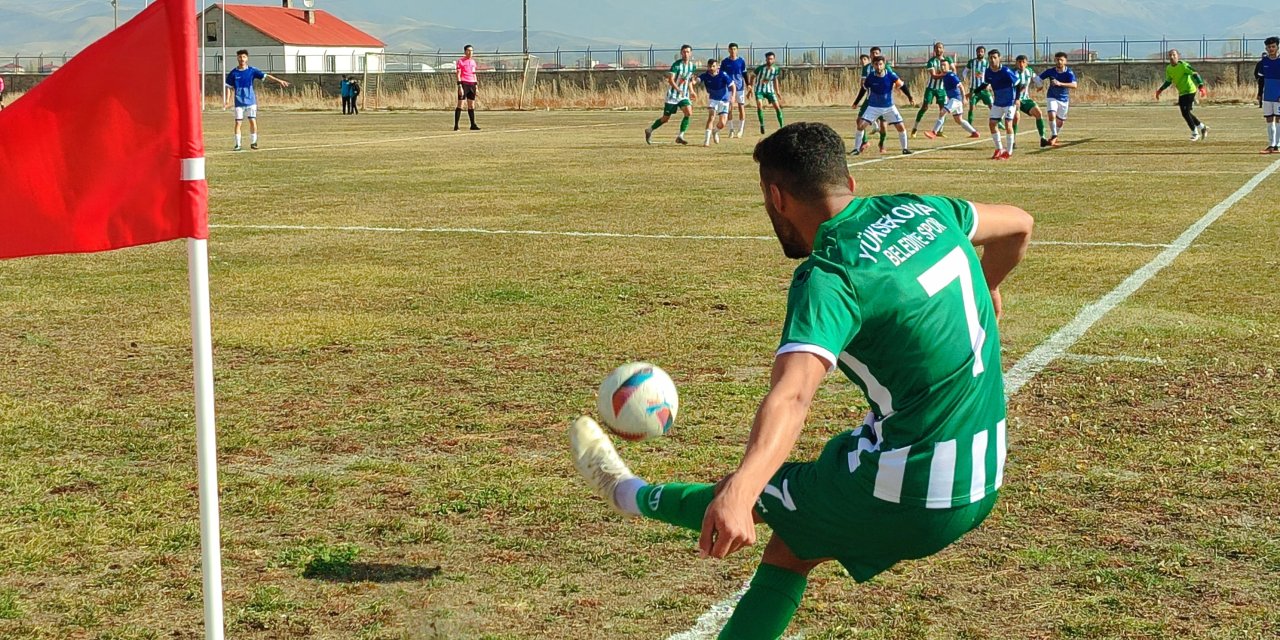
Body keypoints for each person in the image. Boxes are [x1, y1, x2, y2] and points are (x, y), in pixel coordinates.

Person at [570, 121, 1033, 640]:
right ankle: (639, 494)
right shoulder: (926, 209)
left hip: (915, 488)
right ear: (849, 182)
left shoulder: (832, 276)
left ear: (776, 196)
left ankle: (626, 493)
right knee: (792, 546)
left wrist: (741, 489)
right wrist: (991, 284)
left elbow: (793, 395)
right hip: (986, 470)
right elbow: (1020, 223)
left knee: (755, 494)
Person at [223, 49, 290, 151]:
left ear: (247, 58)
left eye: (244, 57)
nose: (242, 59)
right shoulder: (233, 73)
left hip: (251, 101)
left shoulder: (252, 71)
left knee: (252, 121)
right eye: (240, 57)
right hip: (239, 102)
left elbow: (266, 76)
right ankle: (238, 145)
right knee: (238, 123)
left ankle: (254, 142)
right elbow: (228, 87)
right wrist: (227, 101)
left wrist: (279, 80)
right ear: (237, 58)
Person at [852, 56, 911, 155]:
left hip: (889, 107)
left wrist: (910, 97)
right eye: (876, 64)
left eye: (880, 64)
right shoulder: (870, 77)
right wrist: (856, 102)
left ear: (884, 65)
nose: (878, 67)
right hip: (873, 107)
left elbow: (902, 85)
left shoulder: (891, 75)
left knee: (901, 127)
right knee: (861, 126)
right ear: (873, 65)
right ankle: (856, 149)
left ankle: (905, 149)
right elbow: (863, 90)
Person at [645, 45, 699, 145]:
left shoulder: (692, 66)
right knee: (665, 118)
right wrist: (678, 89)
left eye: (688, 52)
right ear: (681, 53)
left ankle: (680, 136)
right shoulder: (677, 65)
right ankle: (649, 130)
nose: (686, 54)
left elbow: (690, 80)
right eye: (684, 52)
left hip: (684, 95)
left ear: (691, 53)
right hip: (673, 96)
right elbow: (670, 80)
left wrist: (691, 91)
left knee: (688, 112)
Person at [975, 49, 1020, 160]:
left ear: (999, 58)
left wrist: (1017, 99)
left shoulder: (1006, 71)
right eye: (990, 57)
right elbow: (985, 84)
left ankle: (1008, 152)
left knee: (1008, 124)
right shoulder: (988, 71)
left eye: (995, 57)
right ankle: (999, 148)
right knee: (992, 124)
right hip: (998, 102)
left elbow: (1019, 84)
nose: (992, 59)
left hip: (1009, 102)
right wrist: (972, 93)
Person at [1155, 49, 1208, 142]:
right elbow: (1168, 81)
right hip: (1182, 92)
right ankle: (1202, 127)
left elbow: (1195, 74)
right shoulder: (1169, 68)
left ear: (1178, 56)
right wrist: (1160, 90)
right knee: (1186, 113)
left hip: (1190, 90)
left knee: (1185, 112)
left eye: (1174, 55)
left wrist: (1201, 87)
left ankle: (1195, 133)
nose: (1172, 57)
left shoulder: (1183, 65)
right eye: (1170, 55)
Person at [923, 59, 981, 140]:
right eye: (941, 65)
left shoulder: (951, 75)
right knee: (958, 120)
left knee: (942, 112)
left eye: (944, 65)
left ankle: (934, 132)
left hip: (956, 99)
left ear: (948, 66)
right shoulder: (945, 75)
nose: (942, 67)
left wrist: (964, 98)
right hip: (955, 100)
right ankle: (974, 132)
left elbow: (961, 86)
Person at [911, 42, 955, 138]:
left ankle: (940, 130)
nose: (938, 50)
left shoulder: (948, 60)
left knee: (943, 109)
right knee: (925, 107)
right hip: (931, 88)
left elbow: (954, 70)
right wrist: (946, 74)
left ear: (943, 49)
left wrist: (951, 75)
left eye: (940, 48)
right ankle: (915, 128)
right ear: (934, 50)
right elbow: (934, 76)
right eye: (936, 48)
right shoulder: (931, 61)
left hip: (942, 89)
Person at [1037, 52, 1078, 147]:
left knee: (1060, 121)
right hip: (1052, 97)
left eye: (1061, 60)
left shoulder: (1069, 72)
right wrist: (1040, 85)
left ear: (1065, 61)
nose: (1059, 62)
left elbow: (1074, 85)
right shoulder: (1050, 71)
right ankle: (1054, 134)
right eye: (1057, 60)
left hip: (1064, 99)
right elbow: (1038, 78)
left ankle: (1053, 137)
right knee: (1051, 114)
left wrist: (1060, 83)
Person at [1010, 55, 1049, 149]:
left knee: (1038, 113)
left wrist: (1040, 86)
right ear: (1016, 63)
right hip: (1013, 99)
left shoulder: (1029, 71)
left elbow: (1037, 79)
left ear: (1026, 63)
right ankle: (1013, 141)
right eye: (1019, 62)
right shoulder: (1012, 73)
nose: (1021, 64)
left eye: (1023, 62)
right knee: (1016, 117)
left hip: (1025, 99)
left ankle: (1042, 138)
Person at [697, 58, 738, 146]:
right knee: (711, 117)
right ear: (707, 67)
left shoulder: (723, 75)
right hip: (713, 99)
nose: (711, 68)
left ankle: (715, 131)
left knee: (723, 123)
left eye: (713, 66)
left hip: (724, 100)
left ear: (717, 67)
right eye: (709, 66)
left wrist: (733, 96)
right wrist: (693, 82)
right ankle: (706, 141)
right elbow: (697, 80)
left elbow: (733, 85)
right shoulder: (706, 75)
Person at [1254, 36, 1280, 154]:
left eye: (1273, 46)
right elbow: (1261, 80)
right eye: (1269, 47)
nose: (1271, 49)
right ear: (1266, 48)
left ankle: (1277, 145)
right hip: (1267, 96)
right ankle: (1271, 145)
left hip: (1278, 96)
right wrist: (1259, 93)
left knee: (1279, 119)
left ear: (1277, 47)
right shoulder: (1263, 63)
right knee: (1269, 119)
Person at [751, 52, 785, 135]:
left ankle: (782, 127)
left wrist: (777, 91)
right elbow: (752, 76)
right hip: (759, 90)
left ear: (774, 59)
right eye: (768, 59)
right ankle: (762, 124)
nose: (769, 60)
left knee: (777, 107)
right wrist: (750, 88)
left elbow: (775, 79)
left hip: (770, 91)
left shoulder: (776, 69)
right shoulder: (760, 68)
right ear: (765, 59)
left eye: (771, 59)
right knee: (759, 105)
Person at [722, 43, 749, 138]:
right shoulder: (725, 62)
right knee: (729, 108)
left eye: (734, 49)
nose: (733, 51)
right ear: (728, 50)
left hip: (740, 87)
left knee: (741, 107)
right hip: (728, 88)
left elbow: (745, 73)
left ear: (737, 50)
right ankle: (731, 129)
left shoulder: (741, 61)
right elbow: (722, 74)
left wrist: (748, 84)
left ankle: (741, 129)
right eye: (731, 49)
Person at [963, 46, 992, 126]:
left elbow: (990, 74)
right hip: (974, 89)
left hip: (984, 89)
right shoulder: (972, 62)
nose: (980, 53)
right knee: (971, 107)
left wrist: (989, 84)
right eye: (978, 51)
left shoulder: (987, 63)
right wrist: (964, 77)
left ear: (984, 53)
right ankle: (969, 124)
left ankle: (999, 123)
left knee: (992, 106)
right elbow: (965, 71)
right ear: (976, 52)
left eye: (981, 51)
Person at [455, 44, 480, 131]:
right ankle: (456, 125)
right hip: (464, 83)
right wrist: (459, 86)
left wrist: (476, 86)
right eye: (468, 50)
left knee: (471, 105)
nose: (470, 52)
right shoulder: (460, 61)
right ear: (465, 51)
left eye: (472, 51)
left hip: (472, 84)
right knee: (460, 104)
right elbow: (458, 74)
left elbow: (474, 74)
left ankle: (473, 124)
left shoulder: (473, 62)